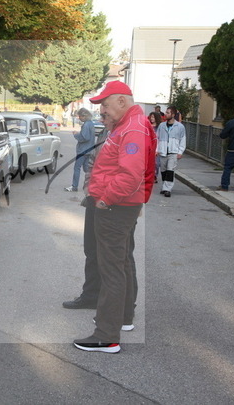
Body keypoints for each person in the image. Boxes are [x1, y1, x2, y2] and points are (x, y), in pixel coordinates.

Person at [73, 81, 156, 354]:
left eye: (105, 105)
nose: (103, 112)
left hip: (114, 207)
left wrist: (105, 199)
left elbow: (130, 174)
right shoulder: (128, 124)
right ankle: (123, 318)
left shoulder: (132, 128)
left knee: (111, 270)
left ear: (121, 101)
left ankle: (106, 335)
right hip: (120, 206)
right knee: (121, 263)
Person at [156, 106, 186, 197]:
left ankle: (167, 189)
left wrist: (180, 151)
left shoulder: (180, 127)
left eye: (168, 113)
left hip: (173, 152)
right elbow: (157, 138)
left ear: (173, 115)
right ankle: (164, 186)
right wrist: (156, 150)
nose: (166, 114)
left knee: (170, 171)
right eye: (166, 112)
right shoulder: (162, 126)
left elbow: (183, 139)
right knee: (163, 171)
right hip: (163, 152)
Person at [65, 108, 96, 192]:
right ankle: (92, 184)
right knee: (86, 168)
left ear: (84, 116)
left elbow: (85, 137)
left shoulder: (86, 125)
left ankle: (74, 186)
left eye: (80, 116)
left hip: (83, 150)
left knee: (77, 168)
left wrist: (76, 135)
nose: (79, 118)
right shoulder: (91, 123)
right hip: (89, 149)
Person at [148, 112, 163, 182]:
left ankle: (155, 176)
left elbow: (160, 138)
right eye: (151, 117)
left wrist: (158, 149)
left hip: (157, 147)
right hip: (149, 146)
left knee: (156, 163)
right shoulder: (148, 126)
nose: (152, 118)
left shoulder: (160, 127)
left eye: (153, 117)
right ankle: (150, 176)